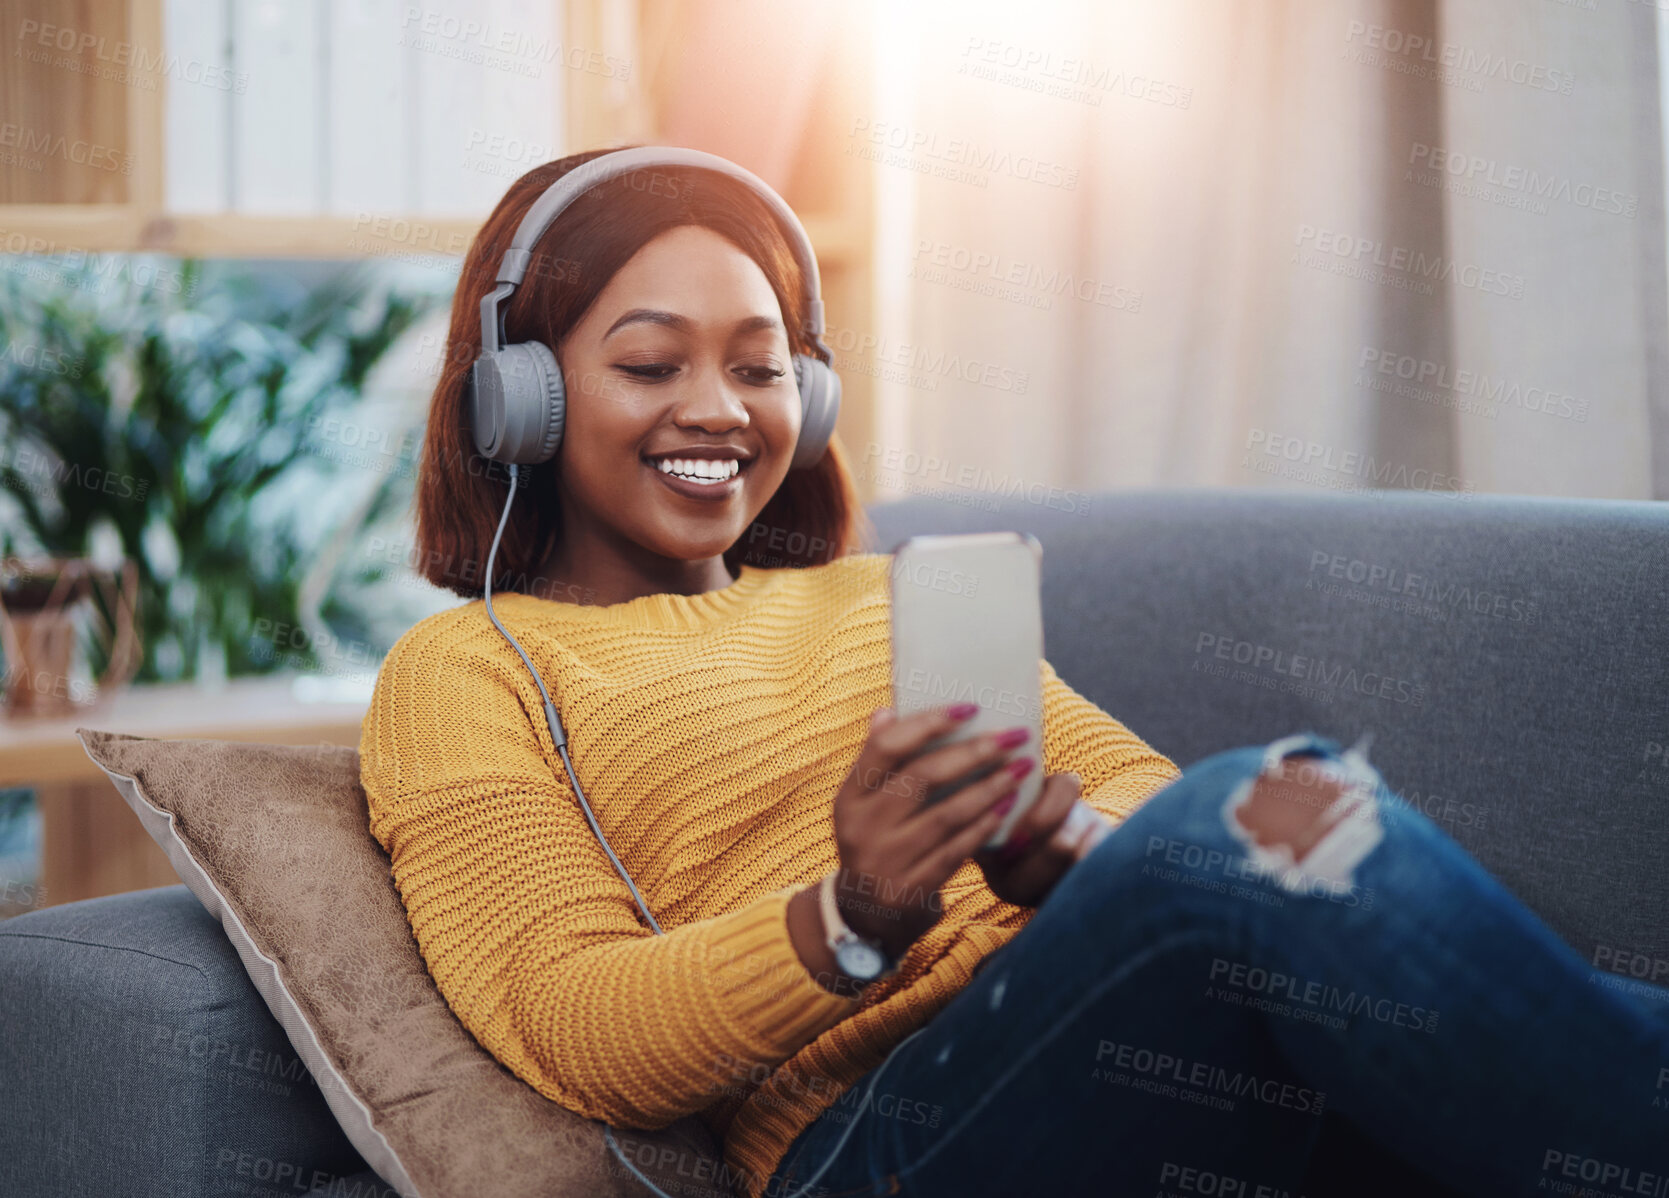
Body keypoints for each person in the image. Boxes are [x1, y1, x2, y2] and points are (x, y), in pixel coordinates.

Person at [358, 149, 1669, 1198]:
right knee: (1269, 806)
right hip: (880, 1140)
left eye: (759, 367)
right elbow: (570, 1021)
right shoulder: (468, 666)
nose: (718, 407)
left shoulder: (880, 591)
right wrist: (855, 912)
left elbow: (1141, 800)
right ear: (516, 395)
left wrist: (1072, 848)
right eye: (651, 363)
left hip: (1113, 1060)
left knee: (1278, 835)